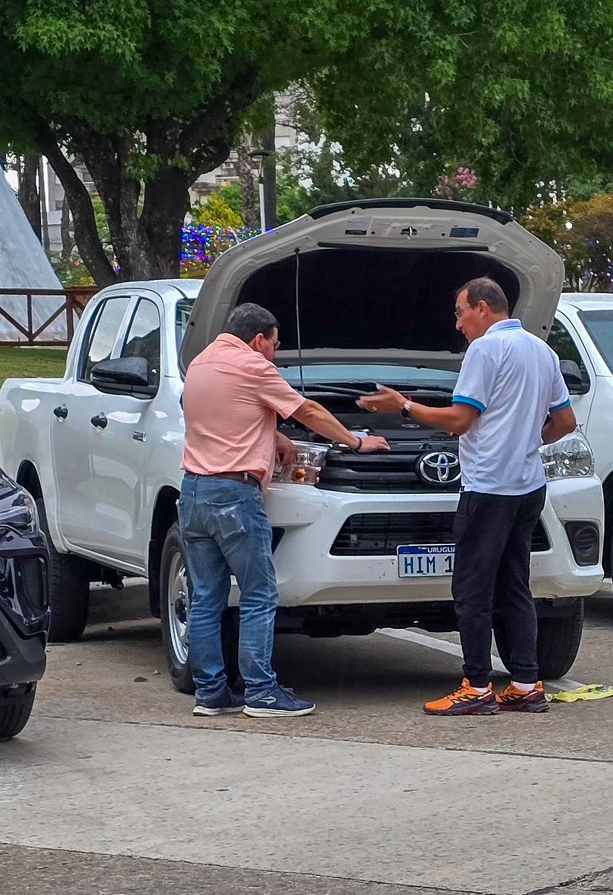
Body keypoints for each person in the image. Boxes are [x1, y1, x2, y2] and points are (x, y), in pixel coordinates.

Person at [359, 277, 577, 714]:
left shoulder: (485, 350)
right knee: (515, 584)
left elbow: (459, 420)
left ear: (482, 307)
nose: (457, 324)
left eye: (459, 312)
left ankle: (476, 686)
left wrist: (402, 406)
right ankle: (526, 682)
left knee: (472, 588)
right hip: (528, 485)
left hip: (488, 486)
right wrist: (525, 442)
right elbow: (565, 421)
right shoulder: (542, 350)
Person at [180, 301, 388, 717]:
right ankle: (261, 691)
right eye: (275, 344)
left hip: (193, 493)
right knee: (259, 594)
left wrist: (269, 434)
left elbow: (216, 414)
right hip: (235, 495)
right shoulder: (254, 367)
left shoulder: (200, 364)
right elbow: (307, 410)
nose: (274, 352)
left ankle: (210, 693)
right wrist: (356, 441)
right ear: (259, 339)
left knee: (205, 598)